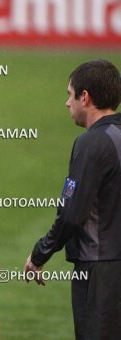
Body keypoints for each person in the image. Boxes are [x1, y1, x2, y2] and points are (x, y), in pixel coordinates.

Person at [24, 60, 121, 339]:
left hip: (100, 270)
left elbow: (71, 213)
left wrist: (40, 253)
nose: (67, 103)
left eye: (70, 94)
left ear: (85, 97)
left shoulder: (91, 143)